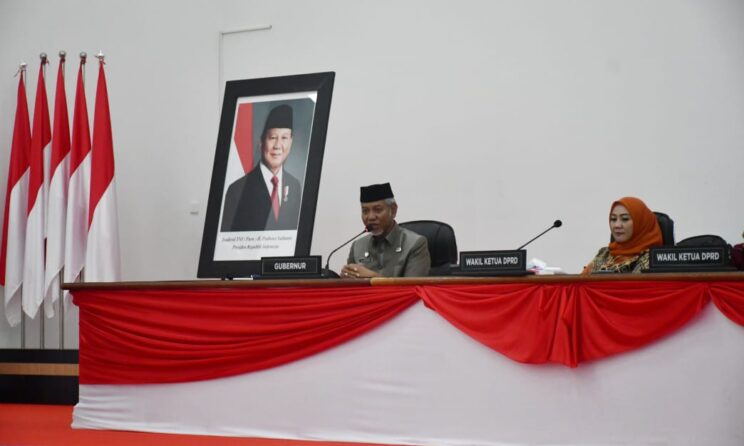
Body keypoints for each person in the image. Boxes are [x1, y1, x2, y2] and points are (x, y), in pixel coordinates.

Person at [221, 104, 302, 231]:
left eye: (284, 138)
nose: (278, 145)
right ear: (261, 142)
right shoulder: (237, 190)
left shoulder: (294, 186)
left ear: (291, 141)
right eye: (273, 137)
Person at [341, 183, 430, 278]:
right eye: (365, 211)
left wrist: (373, 278)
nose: (370, 217)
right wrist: (345, 277)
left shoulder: (415, 244)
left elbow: (413, 286)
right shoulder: (357, 246)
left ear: (393, 210)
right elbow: (350, 284)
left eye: (378, 210)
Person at [582, 196, 663, 274]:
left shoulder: (653, 259)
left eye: (625, 219)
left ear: (640, 223)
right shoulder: (604, 253)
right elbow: (581, 280)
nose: (617, 225)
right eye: (613, 219)